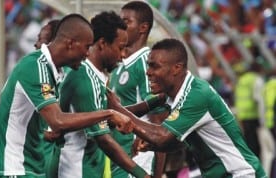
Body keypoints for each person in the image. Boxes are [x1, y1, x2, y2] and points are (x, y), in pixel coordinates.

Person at [0, 13, 134, 178]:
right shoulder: (36, 66)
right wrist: (109, 113)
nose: (88, 54)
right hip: (14, 169)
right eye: (87, 47)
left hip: (32, 168)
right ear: (70, 43)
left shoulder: (53, 71)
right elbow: (58, 121)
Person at [107, 38, 267, 178]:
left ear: (176, 68)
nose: (148, 72)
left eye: (155, 66)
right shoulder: (170, 94)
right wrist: (112, 112)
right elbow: (141, 113)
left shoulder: (195, 95)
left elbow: (161, 135)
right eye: (149, 66)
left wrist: (116, 109)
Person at [46, 11, 152, 178]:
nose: (123, 55)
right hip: (75, 171)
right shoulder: (83, 77)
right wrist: (143, 175)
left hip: (90, 169)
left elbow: (103, 118)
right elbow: (103, 140)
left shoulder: (97, 77)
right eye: (120, 48)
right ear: (103, 43)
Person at [109, 1, 167, 177]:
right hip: (117, 158)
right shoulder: (119, 64)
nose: (120, 26)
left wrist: (157, 174)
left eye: (126, 22)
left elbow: (159, 122)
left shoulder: (146, 63)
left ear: (143, 28)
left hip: (137, 159)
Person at [234, 61, 265, 159]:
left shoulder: (242, 80)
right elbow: (259, 99)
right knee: (257, 145)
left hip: (243, 115)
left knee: (249, 143)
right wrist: (263, 119)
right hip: (254, 115)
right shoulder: (256, 79)